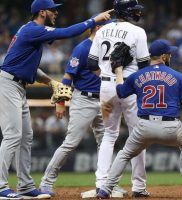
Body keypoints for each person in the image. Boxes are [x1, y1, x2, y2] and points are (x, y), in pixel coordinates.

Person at [0, 0, 113, 198]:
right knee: (12, 136)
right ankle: (1, 187)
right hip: (8, 84)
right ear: (42, 12)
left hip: (17, 85)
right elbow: (66, 32)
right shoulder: (32, 30)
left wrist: (49, 82)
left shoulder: (31, 32)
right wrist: (94, 19)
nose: (56, 13)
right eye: (53, 10)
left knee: (26, 137)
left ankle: (25, 186)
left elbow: (25, 67)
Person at [96, 39, 182, 199]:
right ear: (163, 56)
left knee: (125, 154)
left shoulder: (137, 75)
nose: (170, 56)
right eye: (168, 54)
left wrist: (119, 71)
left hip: (144, 127)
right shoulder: (178, 76)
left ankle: (105, 189)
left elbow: (120, 92)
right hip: (171, 127)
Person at [39, 15, 124, 198]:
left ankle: (109, 185)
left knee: (107, 143)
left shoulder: (109, 48)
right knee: (71, 143)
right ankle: (46, 183)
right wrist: (61, 102)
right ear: (97, 28)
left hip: (103, 100)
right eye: (106, 28)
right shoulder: (83, 47)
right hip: (83, 99)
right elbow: (67, 78)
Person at [87, 0, 151, 198]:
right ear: (127, 12)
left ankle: (101, 183)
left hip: (106, 86)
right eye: (134, 10)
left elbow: (90, 63)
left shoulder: (102, 31)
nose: (138, 13)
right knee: (137, 136)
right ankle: (139, 187)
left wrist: (107, 77)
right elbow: (144, 65)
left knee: (109, 135)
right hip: (129, 85)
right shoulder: (137, 31)